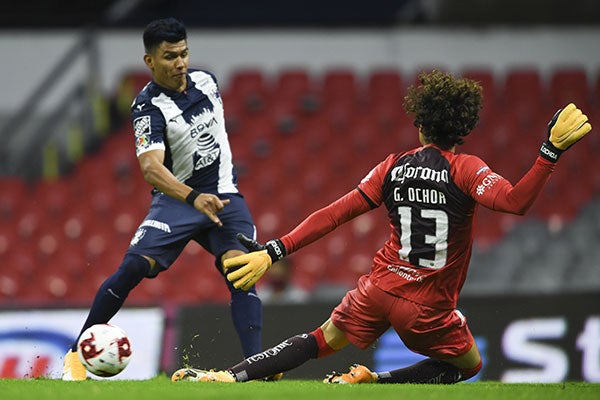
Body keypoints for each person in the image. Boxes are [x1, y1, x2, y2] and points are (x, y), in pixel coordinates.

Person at [170, 70, 592, 384]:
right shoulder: (466, 169)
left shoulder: (393, 165)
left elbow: (335, 213)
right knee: (468, 366)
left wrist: (274, 250)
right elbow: (516, 202)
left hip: (379, 287)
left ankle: (228, 376)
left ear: (420, 123)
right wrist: (548, 152)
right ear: (463, 128)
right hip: (428, 307)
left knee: (319, 340)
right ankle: (377, 381)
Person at [62, 17, 264, 380]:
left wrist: (210, 193)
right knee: (134, 268)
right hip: (178, 200)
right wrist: (193, 196)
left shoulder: (207, 81)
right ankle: (76, 356)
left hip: (224, 195)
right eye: (170, 56)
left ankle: (256, 367)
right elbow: (151, 169)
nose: (181, 63)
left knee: (242, 272)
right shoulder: (147, 107)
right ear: (150, 61)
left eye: (184, 54)